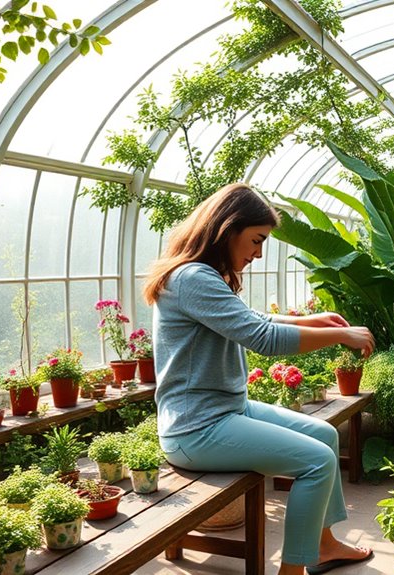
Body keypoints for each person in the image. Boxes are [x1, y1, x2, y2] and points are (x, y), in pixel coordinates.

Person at [143, 183, 375, 575]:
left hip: (226, 411)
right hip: (197, 429)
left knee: (325, 436)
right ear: (226, 228)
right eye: (256, 240)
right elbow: (262, 338)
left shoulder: (200, 275)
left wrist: (308, 321)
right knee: (317, 462)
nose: (258, 252)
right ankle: (292, 571)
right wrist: (338, 334)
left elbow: (252, 320)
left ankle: (323, 545)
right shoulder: (192, 278)